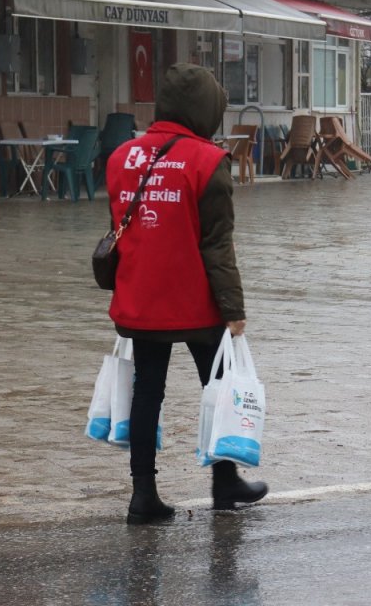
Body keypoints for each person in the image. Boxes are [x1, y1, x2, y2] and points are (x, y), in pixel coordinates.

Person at [106, 63, 266, 524]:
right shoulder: (209, 161)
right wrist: (233, 309)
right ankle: (224, 481)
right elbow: (217, 244)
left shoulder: (122, 158)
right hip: (197, 303)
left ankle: (143, 496)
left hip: (140, 300)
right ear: (207, 108)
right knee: (217, 388)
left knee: (146, 394)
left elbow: (119, 230)